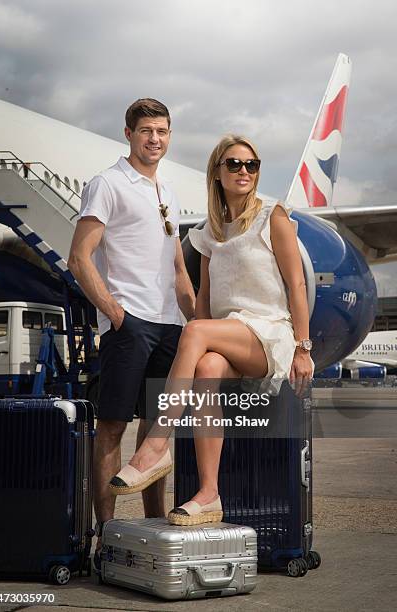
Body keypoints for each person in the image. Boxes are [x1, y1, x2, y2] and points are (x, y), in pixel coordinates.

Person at [108, 134, 314, 526]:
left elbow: (297, 285)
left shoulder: (274, 216)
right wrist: (192, 344)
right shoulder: (209, 234)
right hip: (228, 333)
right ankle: (209, 493)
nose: (243, 171)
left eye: (251, 165)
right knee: (204, 370)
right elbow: (202, 307)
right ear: (217, 173)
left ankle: (156, 444)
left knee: (198, 333)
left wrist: (304, 349)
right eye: (234, 164)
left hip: (268, 333)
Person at [67, 98, 195, 566]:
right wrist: (115, 313)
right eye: (145, 131)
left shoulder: (168, 191)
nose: (154, 139)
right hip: (130, 325)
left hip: (170, 327)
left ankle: (153, 529)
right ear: (128, 133)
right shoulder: (108, 184)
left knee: (156, 434)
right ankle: (105, 535)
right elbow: (79, 257)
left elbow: (178, 268)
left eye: (162, 131)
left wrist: (195, 318)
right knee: (112, 428)